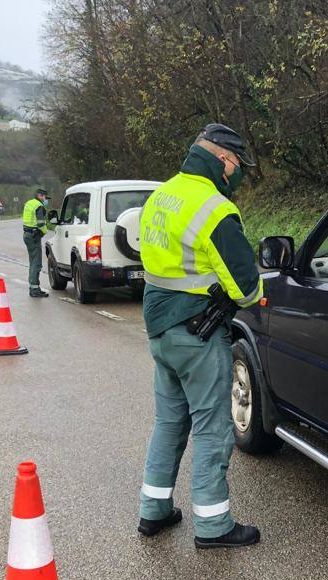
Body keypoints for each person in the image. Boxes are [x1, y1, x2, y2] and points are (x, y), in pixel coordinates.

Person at [137, 123, 264, 549]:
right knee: (212, 427)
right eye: (237, 165)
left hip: (159, 329)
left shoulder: (162, 195)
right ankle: (213, 526)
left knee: (169, 422)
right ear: (224, 161)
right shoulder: (213, 208)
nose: (237, 174)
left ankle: (153, 511)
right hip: (198, 333)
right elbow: (246, 288)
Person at [22, 187, 53, 298]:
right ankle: (35, 289)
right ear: (40, 196)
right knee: (36, 263)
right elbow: (41, 224)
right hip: (34, 236)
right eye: (45, 197)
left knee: (32, 262)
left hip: (27, 234)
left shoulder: (29, 203)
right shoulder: (39, 206)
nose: (46, 200)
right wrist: (46, 232)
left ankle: (33, 287)